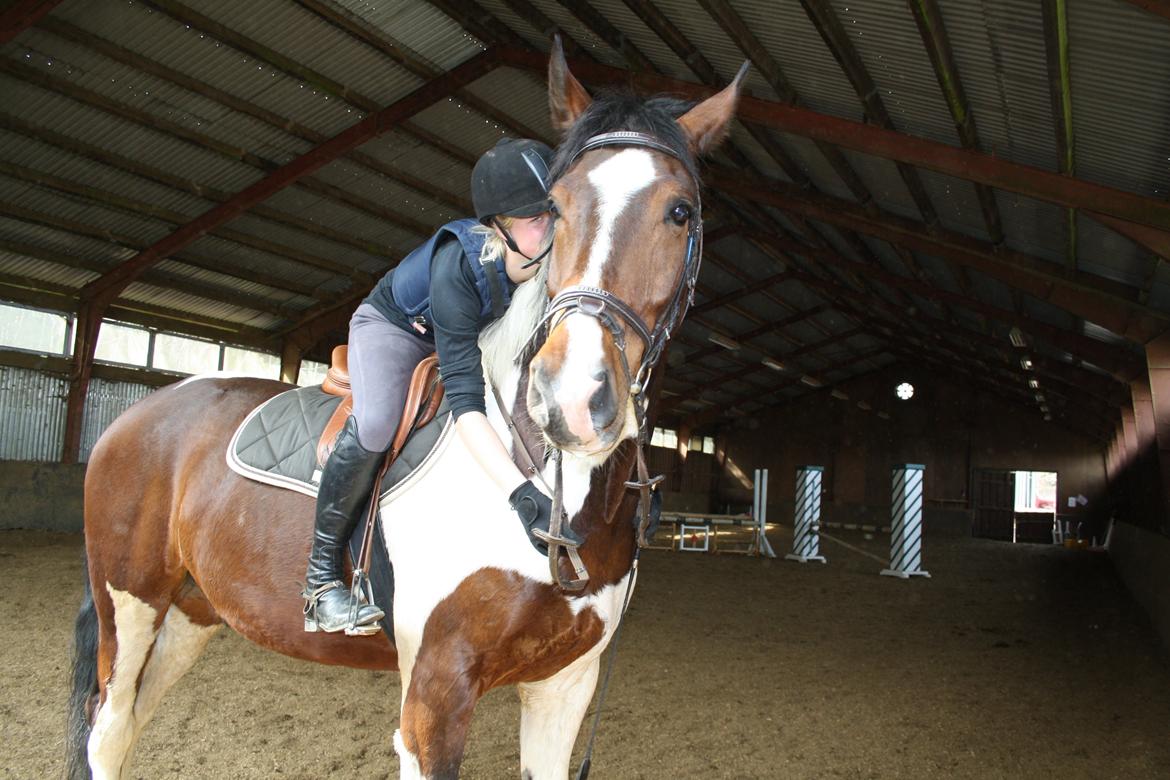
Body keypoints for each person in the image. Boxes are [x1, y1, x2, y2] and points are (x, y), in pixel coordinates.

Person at [302, 138, 582, 635]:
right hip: (395, 329)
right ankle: (321, 583)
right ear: (498, 227)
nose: (551, 228)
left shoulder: (546, 255)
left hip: (466, 333)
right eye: (535, 219)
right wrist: (520, 492)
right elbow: (465, 396)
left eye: (553, 214)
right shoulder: (459, 265)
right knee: (377, 424)